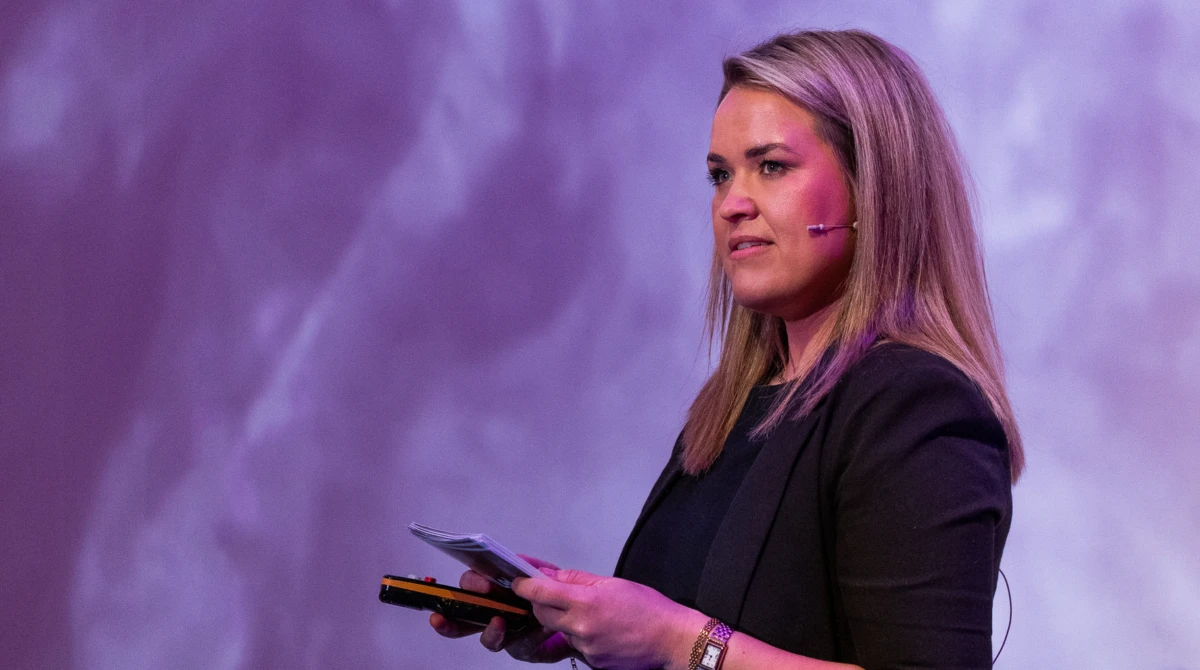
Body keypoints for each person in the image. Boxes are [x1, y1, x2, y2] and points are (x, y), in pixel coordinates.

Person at [431, 28, 1022, 670]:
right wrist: (578, 624)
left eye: (771, 166)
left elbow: (690, 641)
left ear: (872, 186)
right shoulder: (731, 408)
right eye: (719, 175)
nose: (731, 204)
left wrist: (677, 642)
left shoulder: (915, 405)